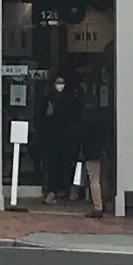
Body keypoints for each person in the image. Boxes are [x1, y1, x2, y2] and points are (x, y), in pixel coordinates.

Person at [37, 74, 81, 204]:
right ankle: (53, 190)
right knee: (52, 165)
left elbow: (76, 117)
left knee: (68, 165)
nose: (60, 85)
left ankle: (69, 189)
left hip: (68, 139)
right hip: (52, 139)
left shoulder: (72, 100)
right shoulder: (48, 100)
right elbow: (41, 118)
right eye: (58, 83)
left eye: (62, 83)